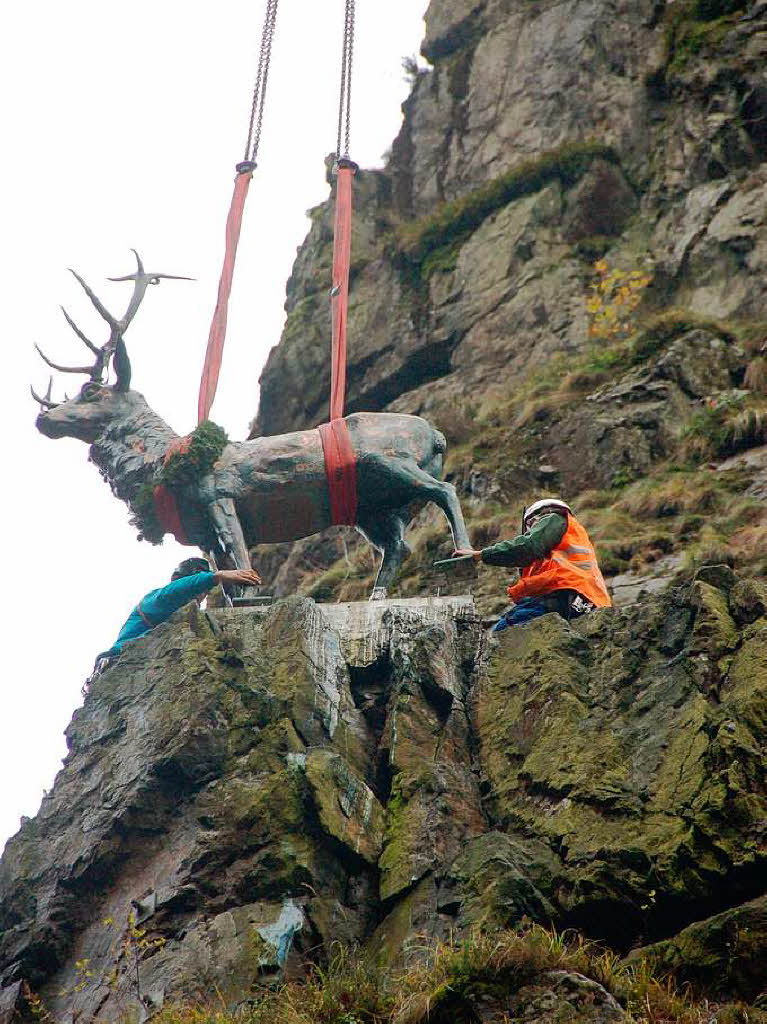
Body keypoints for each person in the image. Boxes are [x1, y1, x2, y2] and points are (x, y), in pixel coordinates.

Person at [89, 558, 262, 680]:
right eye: (198, 588)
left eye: (203, 593)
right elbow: (174, 591)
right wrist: (216, 577)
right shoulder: (155, 600)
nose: (200, 597)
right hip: (120, 663)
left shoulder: (182, 618)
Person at [454, 498, 611, 632]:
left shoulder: (554, 518)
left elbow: (528, 546)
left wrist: (481, 555)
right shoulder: (571, 538)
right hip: (586, 601)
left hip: (565, 595)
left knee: (504, 632)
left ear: (535, 518)